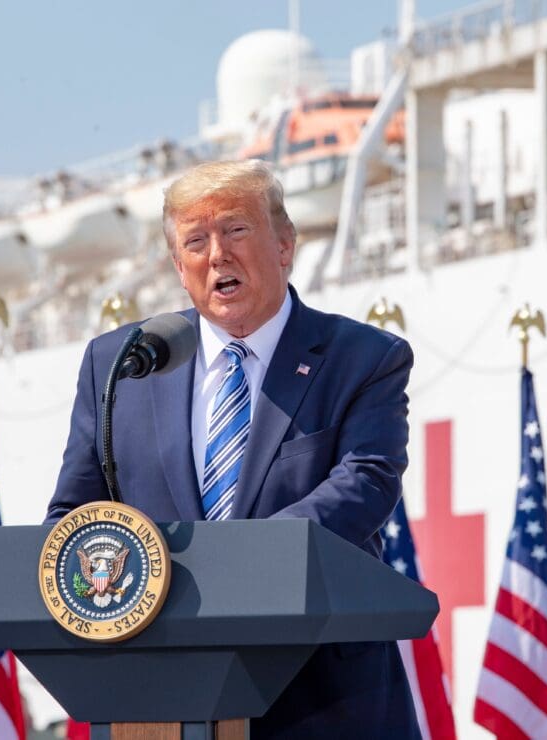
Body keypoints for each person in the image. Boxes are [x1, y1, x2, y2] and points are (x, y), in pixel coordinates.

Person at [46, 160, 419, 739]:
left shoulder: (364, 358)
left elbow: (367, 481)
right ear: (179, 267)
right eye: (196, 242)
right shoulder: (120, 364)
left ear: (285, 245)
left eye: (236, 230)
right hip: (161, 696)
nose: (217, 254)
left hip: (325, 698)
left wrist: (238, 564)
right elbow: (74, 514)